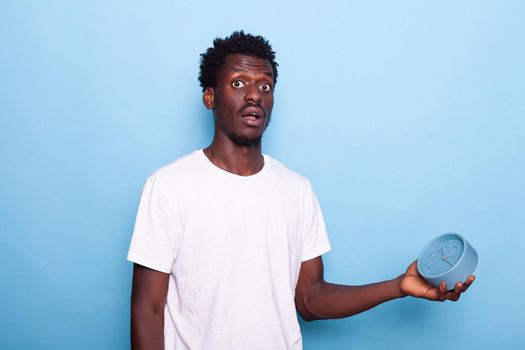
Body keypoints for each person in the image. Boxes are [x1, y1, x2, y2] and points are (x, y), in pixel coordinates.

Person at [127, 31, 475, 350]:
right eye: (238, 83)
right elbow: (148, 309)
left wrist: (398, 285)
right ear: (209, 96)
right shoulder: (170, 186)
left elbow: (309, 299)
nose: (254, 94)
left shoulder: (296, 190)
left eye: (265, 86)